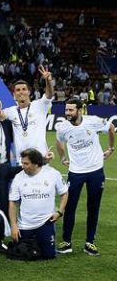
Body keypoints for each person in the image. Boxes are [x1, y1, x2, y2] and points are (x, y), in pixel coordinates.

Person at [55, 98, 115, 256]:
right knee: (69, 207)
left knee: (93, 207)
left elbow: (111, 127)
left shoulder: (93, 121)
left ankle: (90, 242)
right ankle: (67, 242)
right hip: (75, 172)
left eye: (71, 110)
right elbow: (59, 142)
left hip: (96, 171)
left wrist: (111, 148)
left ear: (80, 110)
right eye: (66, 110)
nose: (67, 113)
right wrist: (62, 158)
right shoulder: (63, 128)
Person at [9, 149, 69, 260]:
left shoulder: (52, 174)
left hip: (45, 222)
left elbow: (64, 193)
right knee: (22, 253)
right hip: (25, 225)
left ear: (36, 163)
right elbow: (12, 202)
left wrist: (60, 211)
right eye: (22, 163)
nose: (23, 166)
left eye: (26, 163)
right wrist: (13, 226)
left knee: (48, 256)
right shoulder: (18, 177)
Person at [4, 66, 55, 161]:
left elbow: (49, 95)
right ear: (14, 94)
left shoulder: (39, 105)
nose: (21, 92)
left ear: (29, 92)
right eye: (18, 90)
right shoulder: (10, 111)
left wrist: (48, 81)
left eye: (24, 89)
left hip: (41, 157)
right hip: (21, 160)